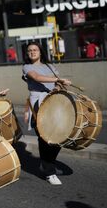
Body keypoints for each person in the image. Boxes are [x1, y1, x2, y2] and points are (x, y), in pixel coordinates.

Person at [22, 42, 71, 185]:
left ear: (40, 51)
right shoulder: (27, 67)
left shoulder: (50, 66)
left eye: (35, 50)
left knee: (59, 136)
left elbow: (58, 84)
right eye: (30, 50)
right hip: (38, 103)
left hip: (52, 102)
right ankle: (49, 172)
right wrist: (57, 79)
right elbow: (36, 78)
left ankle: (46, 163)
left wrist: (58, 86)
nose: (32, 52)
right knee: (44, 137)